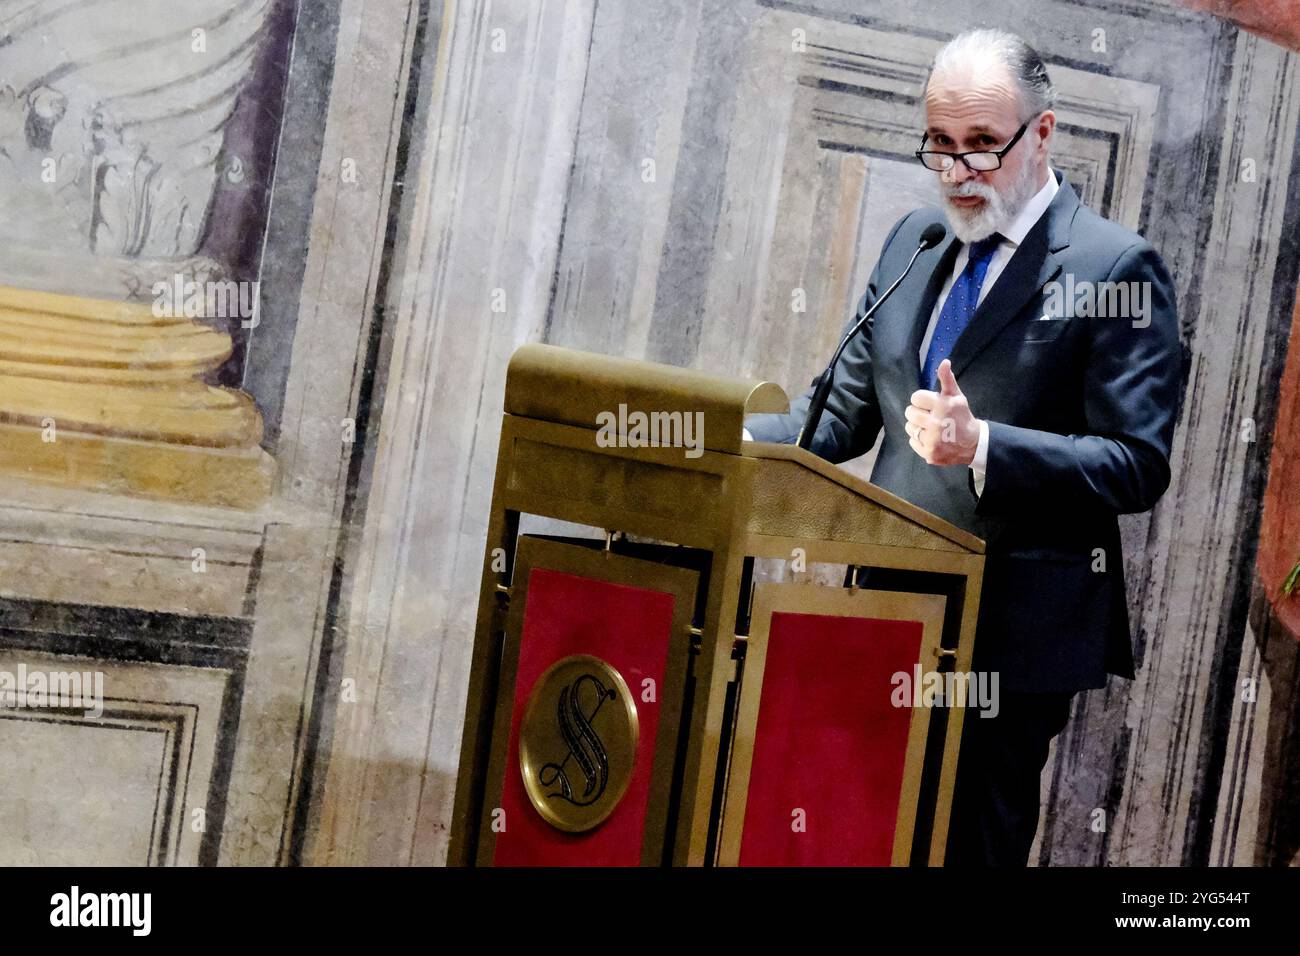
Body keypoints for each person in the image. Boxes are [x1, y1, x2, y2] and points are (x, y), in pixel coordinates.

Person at [742, 28, 1183, 866]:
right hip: (884, 615)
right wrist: (718, 435)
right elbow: (833, 418)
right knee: (861, 837)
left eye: (983, 145)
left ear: (1042, 133)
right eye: (940, 147)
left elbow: (1135, 463)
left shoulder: (1117, 265)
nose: (958, 172)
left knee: (965, 849)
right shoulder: (916, 243)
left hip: (1008, 635)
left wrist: (984, 445)